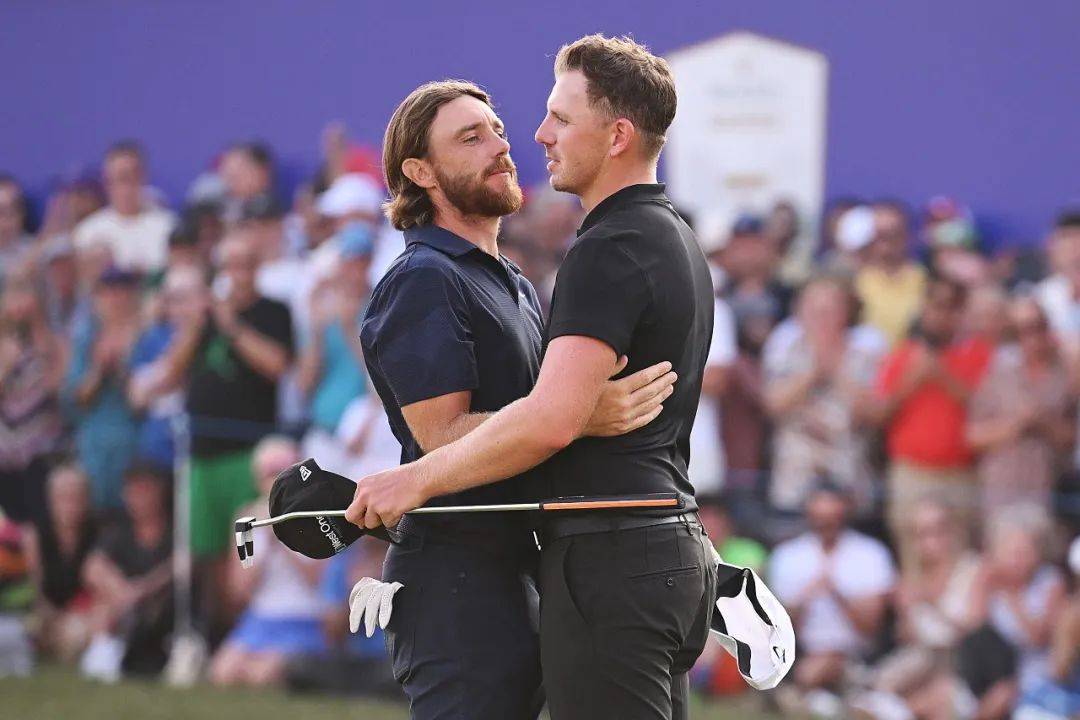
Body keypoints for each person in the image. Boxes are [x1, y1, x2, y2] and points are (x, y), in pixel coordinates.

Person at [347, 35, 718, 720]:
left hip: (530, 564)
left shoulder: (518, 281)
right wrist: (576, 415)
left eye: (497, 129)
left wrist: (566, 415)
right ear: (421, 172)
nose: (505, 145)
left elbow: (550, 414)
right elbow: (441, 437)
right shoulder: (422, 280)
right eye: (470, 139)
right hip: (457, 576)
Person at [156, 232, 293, 639]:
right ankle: (216, 635)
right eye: (231, 266)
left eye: (246, 264)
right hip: (202, 452)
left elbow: (276, 365)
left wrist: (231, 326)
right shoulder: (203, 317)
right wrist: (195, 325)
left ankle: (243, 630)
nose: (238, 273)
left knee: (244, 546)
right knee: (209, 549)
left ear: (257, 268)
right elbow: (170, 374)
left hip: (248, 453)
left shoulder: (273, 312)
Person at [869, 275, 993, 569]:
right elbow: (878, 415)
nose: (940, 315)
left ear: (961, 313)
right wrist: (912, 379)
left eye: (950, 307)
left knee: (960, 561)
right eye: (935, 306)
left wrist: (942, 375)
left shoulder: (980, 354)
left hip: (960, 474)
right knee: (913, 558)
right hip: (911, 473)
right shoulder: (902, 355)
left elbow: (985, 408)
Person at [209, 436, 325, 688]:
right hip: (260, 618)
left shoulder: (317, 517)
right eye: (269, 473)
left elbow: (318, 581)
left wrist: (283, 539)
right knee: (222, 673)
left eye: (281, 472)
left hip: (301, 618)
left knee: (261, 677)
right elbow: (238, 590)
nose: (275, 481)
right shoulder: (245, 520)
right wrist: (263, 550)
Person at [764, 276, 883, 516]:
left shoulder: (866, 352)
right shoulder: (784, 348)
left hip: (850, 479)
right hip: (795, 479)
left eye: (829, 311)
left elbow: (875, 415)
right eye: (813, 311)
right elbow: (772, 406)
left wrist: (837, 369)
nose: (820, 319)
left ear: (846, 313)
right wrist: (814, 373)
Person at [769, 483, 895, 708]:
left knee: (817, 672)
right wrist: (806, 598)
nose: (826, 525)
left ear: (845, 515)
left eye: (832, 518)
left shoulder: (871, 553)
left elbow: (871, 625)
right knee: (810, 671)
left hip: (858, 652)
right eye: (820, 518)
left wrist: (837, 595)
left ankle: (816, 694)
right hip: (802, 652)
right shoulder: (786, 556)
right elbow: (777, 628)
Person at [967, 296, 1075, 522]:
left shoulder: (1065, 377)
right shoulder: (997, 377)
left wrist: (1042, 421)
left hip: (1048, 494)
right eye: (1023, 330)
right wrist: (1017, 423)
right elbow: (973, 436)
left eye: (1038, 327)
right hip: (1001, 493)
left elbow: (1071, 437)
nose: (1033, 337)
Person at [62, 266, 143, 511]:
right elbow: (77, 398)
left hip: (135, 440)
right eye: (109, 292)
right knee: (95, 512)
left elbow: (142, 401)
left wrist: (121, 367)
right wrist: (99, 368)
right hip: (95, 444)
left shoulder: (147, 333)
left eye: (122, 291)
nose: (116, 299)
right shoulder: (87, 337)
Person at [81, 463, 173, 679]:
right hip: (123, 604)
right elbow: (93, 566)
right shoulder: (119, 529)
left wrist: (145, 587)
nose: (138, 499)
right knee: (104, 602)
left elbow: (183, 564)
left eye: (144, 491)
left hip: (162, 602)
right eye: (133, 492)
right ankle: (103, 653)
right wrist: (123, 590)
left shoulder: (174, 530)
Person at [0, 272, 65, 526]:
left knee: (43, 522)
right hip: (6, 454)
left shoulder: (54, 340)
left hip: (43, 450)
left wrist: (38, 325)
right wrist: (7, 365)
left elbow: (57, 387)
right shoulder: (4, 345)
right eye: (14, 295)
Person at [23, 464, 97, 663]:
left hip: (81, 613)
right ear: (50, 499)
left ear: (87, 500)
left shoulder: (99, 533)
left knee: (77, 634)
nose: (70, 505)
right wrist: (50, 615)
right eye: (62, 497)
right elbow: (34, 587)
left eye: (76, 497)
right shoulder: (34, 535)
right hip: (45, 611)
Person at [71, 141, 176, 275]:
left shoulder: (168, 226)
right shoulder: (88, 233)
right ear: (107, 181)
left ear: (144, 177)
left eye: (134, 176)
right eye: (121, 177)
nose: (128, 185)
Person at [854, 202, 926, 347]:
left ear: (906, 236)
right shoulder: (853, 281)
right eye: (879, 234)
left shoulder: (925, 281)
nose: (885, 242)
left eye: (892, 234)